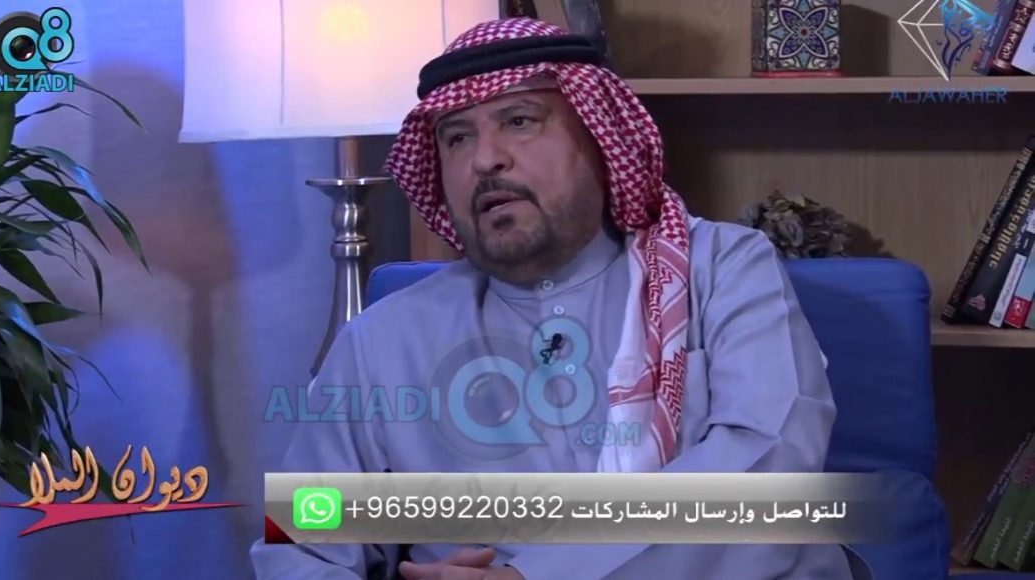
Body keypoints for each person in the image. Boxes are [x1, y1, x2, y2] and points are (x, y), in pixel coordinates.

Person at [251, 17, 869, 580]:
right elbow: (298, 542)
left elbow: (769, 476)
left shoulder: (722, 269)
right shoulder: (384, 340)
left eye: (520, 121)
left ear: (600, 140)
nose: (485, 159)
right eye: (457, 138)